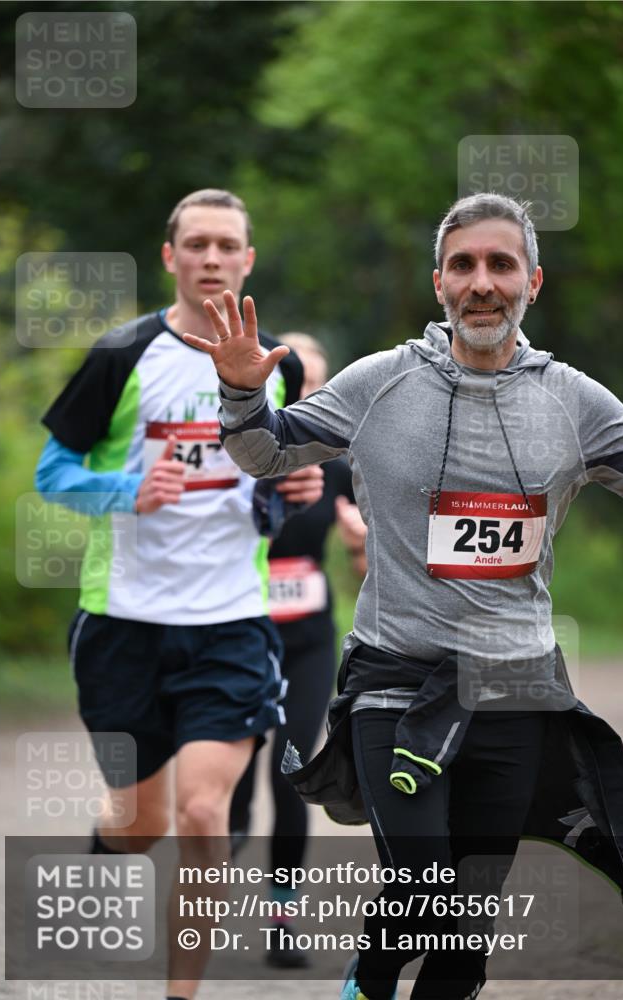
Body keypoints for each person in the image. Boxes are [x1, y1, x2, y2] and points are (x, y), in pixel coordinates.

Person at [183, 192, 623, 1000]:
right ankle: (371, 969)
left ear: (532, 282)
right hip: (393, 680)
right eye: (462, 264)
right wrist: (239, 393)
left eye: (499, 264)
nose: (481, 282)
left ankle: (382, 970)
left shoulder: (572, 400)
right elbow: (262, 451)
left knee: (465, 937)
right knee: (425, 887)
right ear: (437, 281)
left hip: (514, 686)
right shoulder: (378, 386)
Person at [34, 188, 323, 1000]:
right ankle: (105, 861)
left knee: (203, 816)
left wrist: (296, 488)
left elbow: (286, 475)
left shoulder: (280, 366)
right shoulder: (121, 354)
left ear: (247, 259)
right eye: (193, 244)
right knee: (139, 827)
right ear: (170, 257)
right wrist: (128, 487)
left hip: (231, 623)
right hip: (123, 622)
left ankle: (179, 995)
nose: (209, 258)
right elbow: (51, 473)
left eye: (225, 245)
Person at [228, 333, 367, 969]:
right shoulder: (234, 457)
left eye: (310, 383)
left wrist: (361, 546)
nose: (299, 395)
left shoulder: (339, 465)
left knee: (289, 768)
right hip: (236, 634)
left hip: (307, 637)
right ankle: (211, 887)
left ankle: (282, 918)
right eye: (288, 382)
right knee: (229, 769)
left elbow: (378, 567)